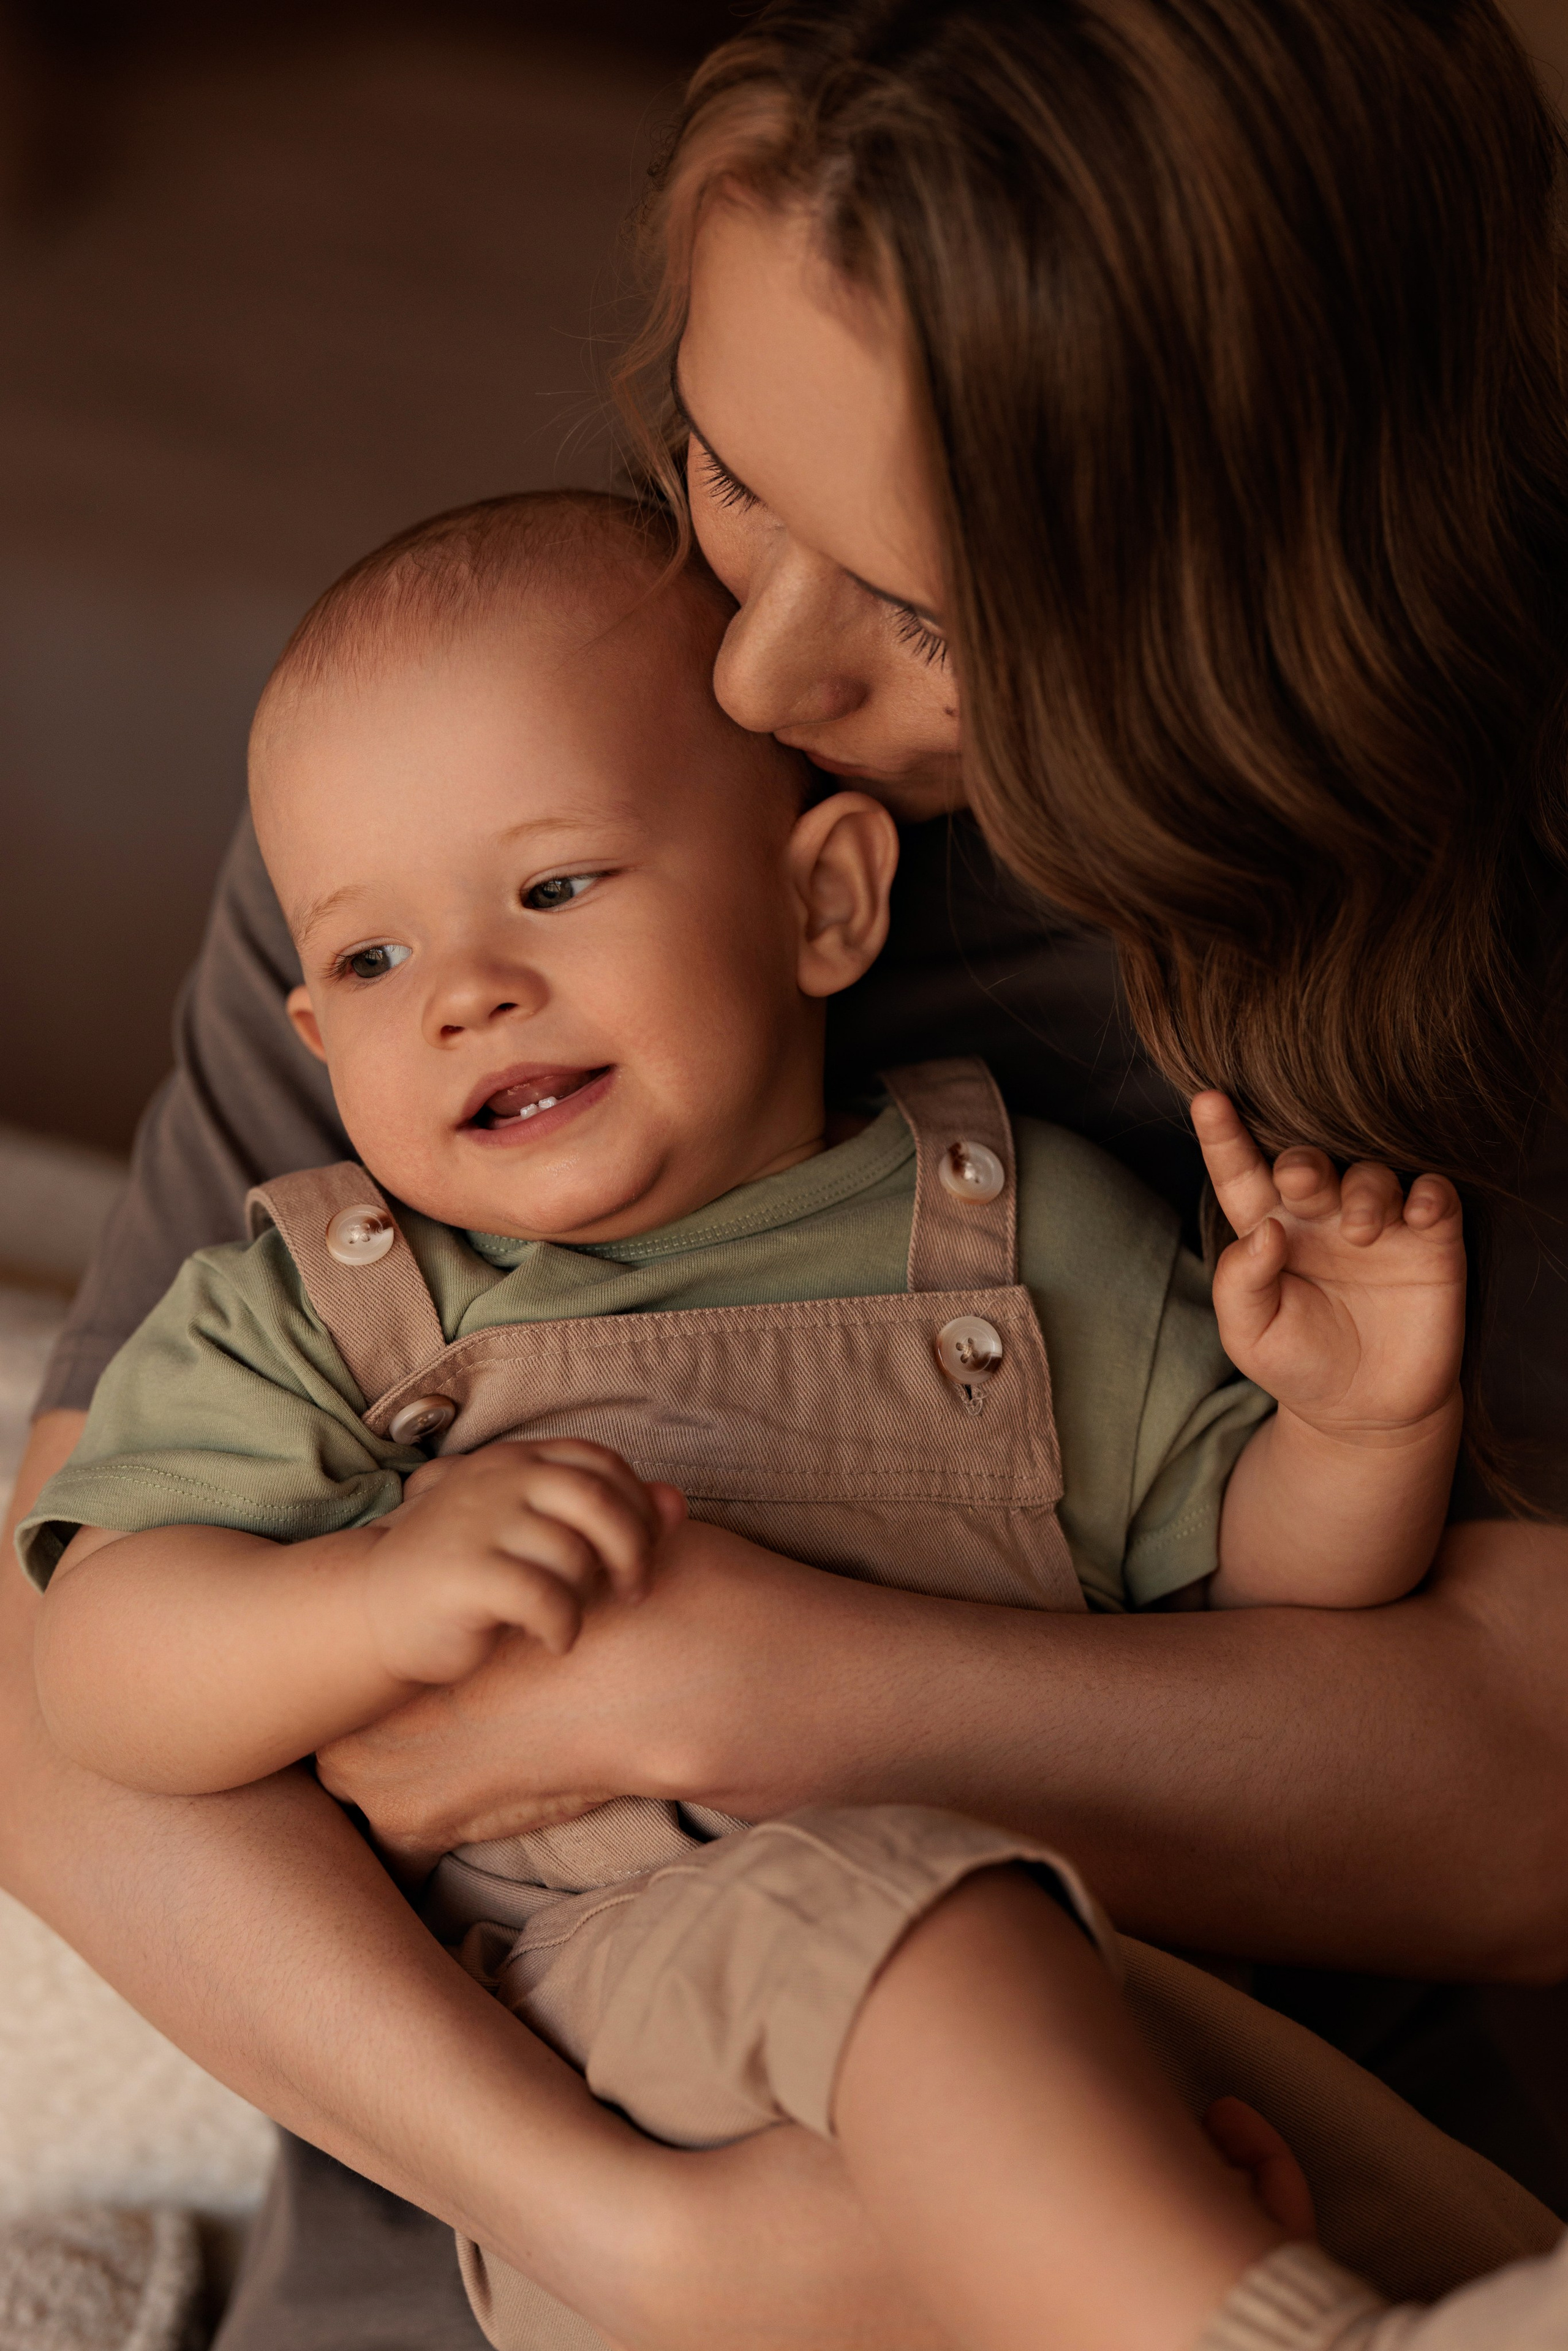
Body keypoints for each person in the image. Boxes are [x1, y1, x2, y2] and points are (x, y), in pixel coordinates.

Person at [3, 1, 1566, 2344]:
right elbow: (71, 1691)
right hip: (532, 2164)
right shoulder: (449, 805)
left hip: (1175, 2131)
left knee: (969, 1975)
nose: (755, 676)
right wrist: (635, 2234)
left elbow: (1506, 1775)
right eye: (729, 477)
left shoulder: (1351, 1013)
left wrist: (742, 1685)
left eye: (927, 612)